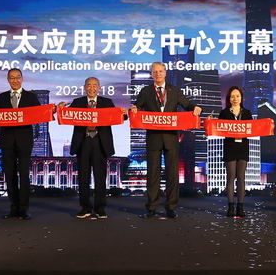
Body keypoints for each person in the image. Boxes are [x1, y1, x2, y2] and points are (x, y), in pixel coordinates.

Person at [130, 61, 202, 219]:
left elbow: (187, 104)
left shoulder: (174, 91)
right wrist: (135, 108)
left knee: (172, 175)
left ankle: (171, 208)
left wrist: (195, 108)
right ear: (151, 74)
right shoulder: (146, 91)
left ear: (165, 73)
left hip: (171, 138)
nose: (158, 74)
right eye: (155, 72)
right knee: (152, 175)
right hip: (153, 138)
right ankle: (151, 208)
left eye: (160, 71)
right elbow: (137, 107)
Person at [60, 77, 125, 219]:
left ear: (99, 88)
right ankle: (85, 208)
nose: (92, 88)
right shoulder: (77, 102)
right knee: (83, 177)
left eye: (94, 85)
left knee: (100, 177)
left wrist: (124, 113)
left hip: (100, 143)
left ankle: (100, 209)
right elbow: (65, 115)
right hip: (82, 142)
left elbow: (118, 117)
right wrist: (60, 108)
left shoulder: (107, 102)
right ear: (85, 87)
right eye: (89, 85)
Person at [0, 68, 40, 220]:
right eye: (12, 77)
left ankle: (24, 209)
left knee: (24, 174)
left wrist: (51, 110)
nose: (15, 80)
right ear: (8, 80)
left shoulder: (31, 97)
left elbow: (40, 115)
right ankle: (13, 207)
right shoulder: (1, 98)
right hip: (6, 141)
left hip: (25, 140)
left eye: (17, 77)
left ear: (22, 78)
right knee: (10, 174)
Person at [217, 86, 252, 218]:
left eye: (237, 96)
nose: (235, 98)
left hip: (243, 148)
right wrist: (210, 121)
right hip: (230, 147)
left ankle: (240, 207)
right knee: (231, 177)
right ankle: (230, 207)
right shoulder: (224, 113)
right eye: (232, 96)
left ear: (241, 98)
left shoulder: (247, 113)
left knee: (241, 178)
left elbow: (253, 129)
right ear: (229, 99)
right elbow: (218, 128)